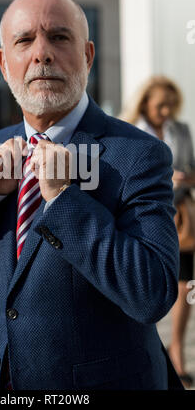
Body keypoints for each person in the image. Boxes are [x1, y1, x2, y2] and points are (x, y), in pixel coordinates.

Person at [0, 0, 183, 390]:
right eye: (24, 40)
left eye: (59, 37)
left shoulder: (139, 155)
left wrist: (63, 201)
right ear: (4, 63)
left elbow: (153, 293)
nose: (42, 53)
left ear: (88, 55)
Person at [120, 75, 195, 388]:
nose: (166, 111)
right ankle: (140, 353)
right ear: (145, 103)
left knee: (184, 286)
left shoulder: (182, 131)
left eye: (170, 105)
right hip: (139, 220)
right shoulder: (127, 132)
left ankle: (177, 351)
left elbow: (192, 169)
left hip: (181, 220)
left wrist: (183, 178)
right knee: (138, 285)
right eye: (160, 105)